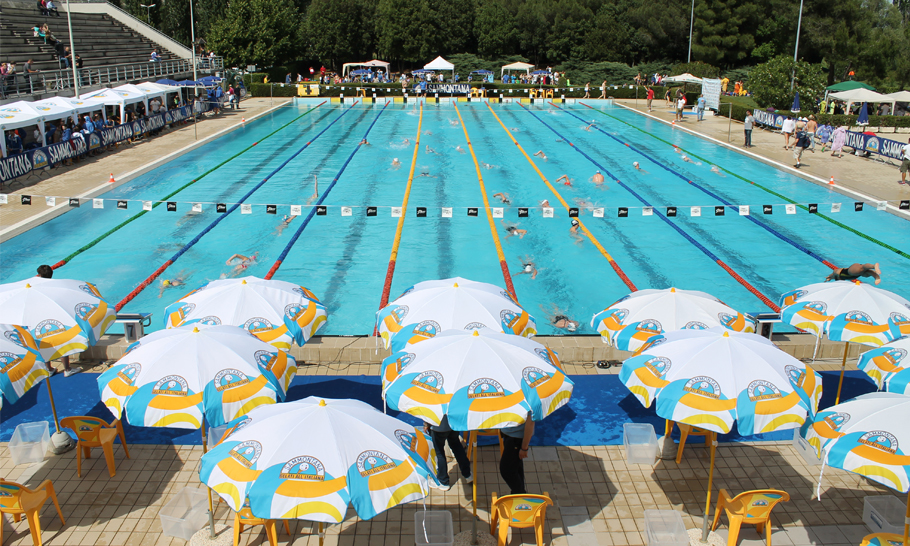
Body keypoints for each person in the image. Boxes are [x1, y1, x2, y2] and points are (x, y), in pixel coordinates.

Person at [35, 265, 80, 377]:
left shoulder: (35, 289)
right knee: (61, 342)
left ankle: (49, 368)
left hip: (40, 320)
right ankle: (67, 369)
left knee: (44, 343)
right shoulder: (56, 287)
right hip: (55, 318)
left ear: (39, 275)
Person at [425, 416, 471, 491]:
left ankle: (443, 481)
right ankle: (468, 474)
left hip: (438, 426)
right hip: (453, 423)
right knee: (456, 446)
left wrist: (426, 424)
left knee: (439, 452)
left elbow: (428, 409)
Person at [499, 412, 534, 495]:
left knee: (506, 471)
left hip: (516, 438)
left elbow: (530, 423)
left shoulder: (530, 401)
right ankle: (517, 493)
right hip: (509, 433)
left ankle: (520, 495)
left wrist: (524, 448)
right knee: (516, 467)